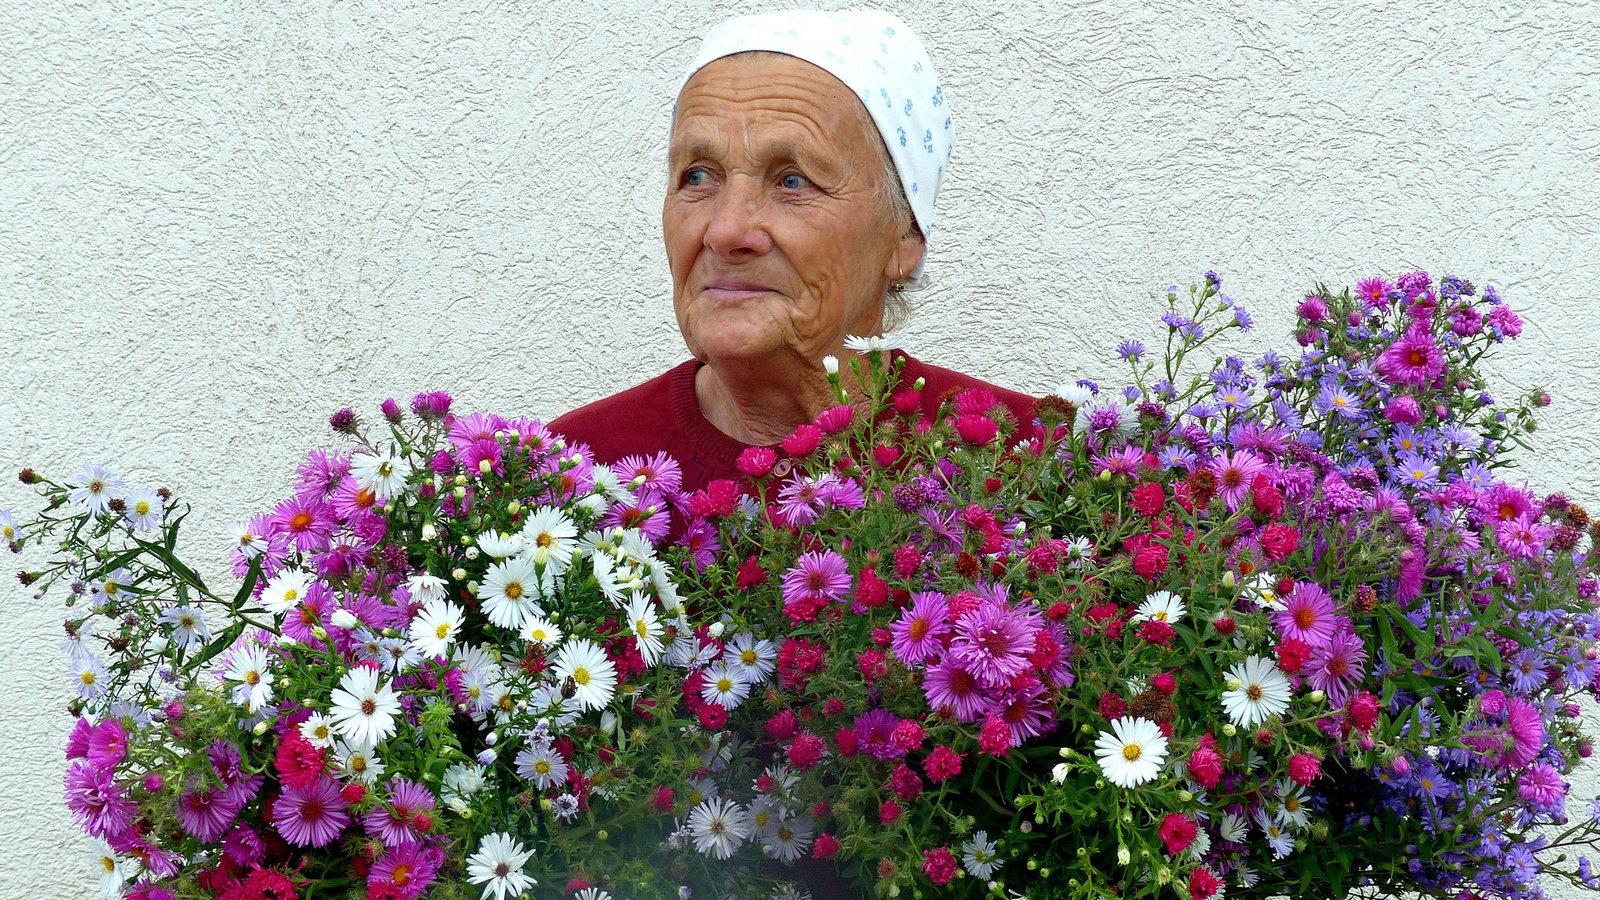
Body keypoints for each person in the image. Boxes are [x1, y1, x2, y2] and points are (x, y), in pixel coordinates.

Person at [550, 9, 1035, 499]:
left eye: (792, 180)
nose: (726, 230)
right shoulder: (571, 474)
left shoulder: (1034, 462)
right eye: (697, 176)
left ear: (904, 236)